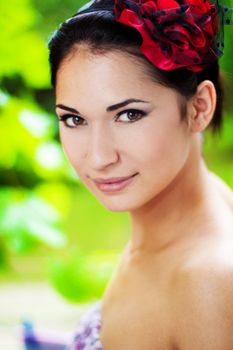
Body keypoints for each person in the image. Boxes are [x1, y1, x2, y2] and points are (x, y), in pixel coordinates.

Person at [48, 0, 233, 349]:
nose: (99, 157)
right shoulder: (185, 225)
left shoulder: (210, 282)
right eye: (74, 119)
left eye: (129, 115)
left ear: (199, 108)